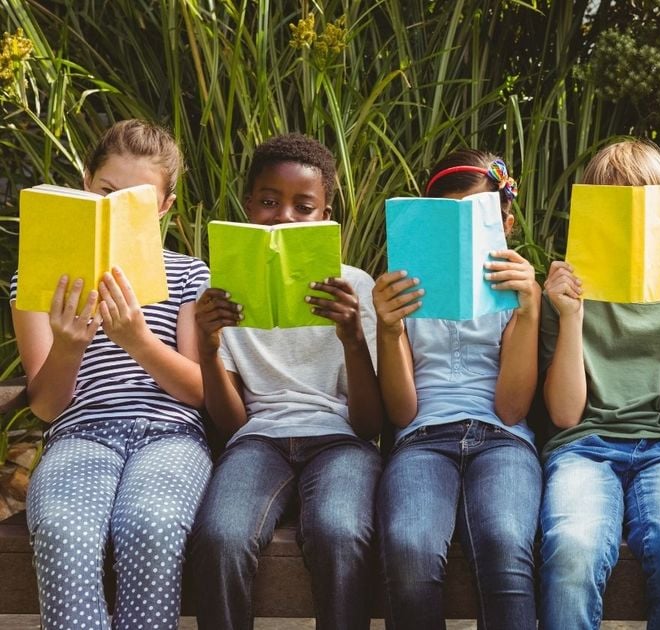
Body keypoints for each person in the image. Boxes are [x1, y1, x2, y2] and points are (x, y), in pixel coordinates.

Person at [11, 119, 211, 630]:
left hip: (170, 435)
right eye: (107, 191)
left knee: (152, 524)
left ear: (164, 207)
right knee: (61, 529)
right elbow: (46, 406)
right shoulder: (36, 278)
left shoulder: (189, 274)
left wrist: (137, 340)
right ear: (86, 184)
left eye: (139, 200)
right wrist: (70, 345)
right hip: (79, 432)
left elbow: (199, 391)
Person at [189, 133, 383, 630]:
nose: (284, 217)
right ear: (248, 205)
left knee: (340, 532)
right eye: (270, 202)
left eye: (304, 206)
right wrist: (209, 348)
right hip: (258, 440)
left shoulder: (354, 286)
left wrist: (351, 337)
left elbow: (367, 423)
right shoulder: (219, 291)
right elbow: (233, 422)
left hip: (340, 441)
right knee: (221, 536)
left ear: (325, 215)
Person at [538, 139, 660, 630]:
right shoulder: (567, 290)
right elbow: (564, 416)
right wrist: (571, 317)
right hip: (582, 447)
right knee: (573, 548)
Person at [374, 149, 542, 629]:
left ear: (505, 223)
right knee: (409, 547)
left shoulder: (518, 296)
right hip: (422, 439)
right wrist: (389, 330)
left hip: (503, 439)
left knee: (506, 542)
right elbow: (403, 413)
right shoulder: (403, 294)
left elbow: (511, 409)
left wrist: (529, 311)